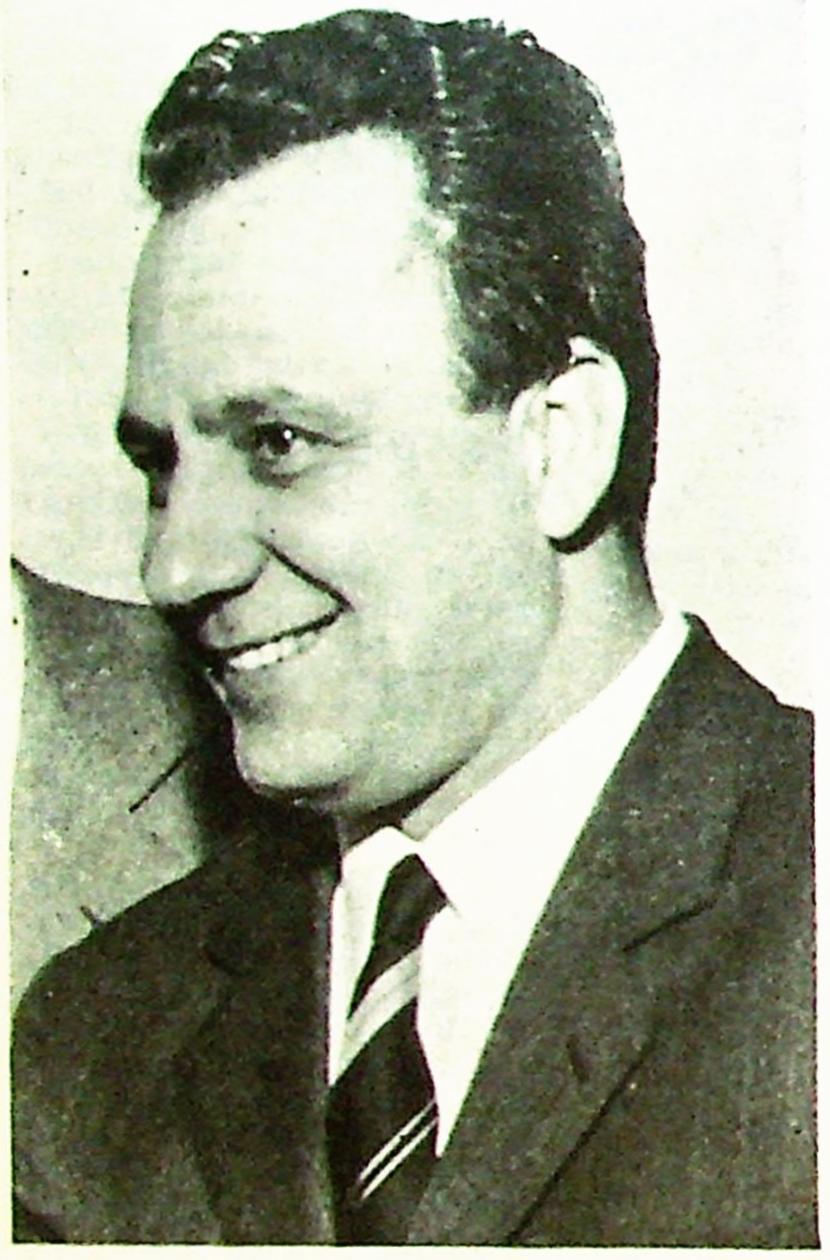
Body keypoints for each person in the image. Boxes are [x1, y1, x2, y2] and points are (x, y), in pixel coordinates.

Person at [12, 9, 815, 1246]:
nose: (174, 567)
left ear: (556, 445)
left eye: (279, 443)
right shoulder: (97, 1036)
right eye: (162, 465)